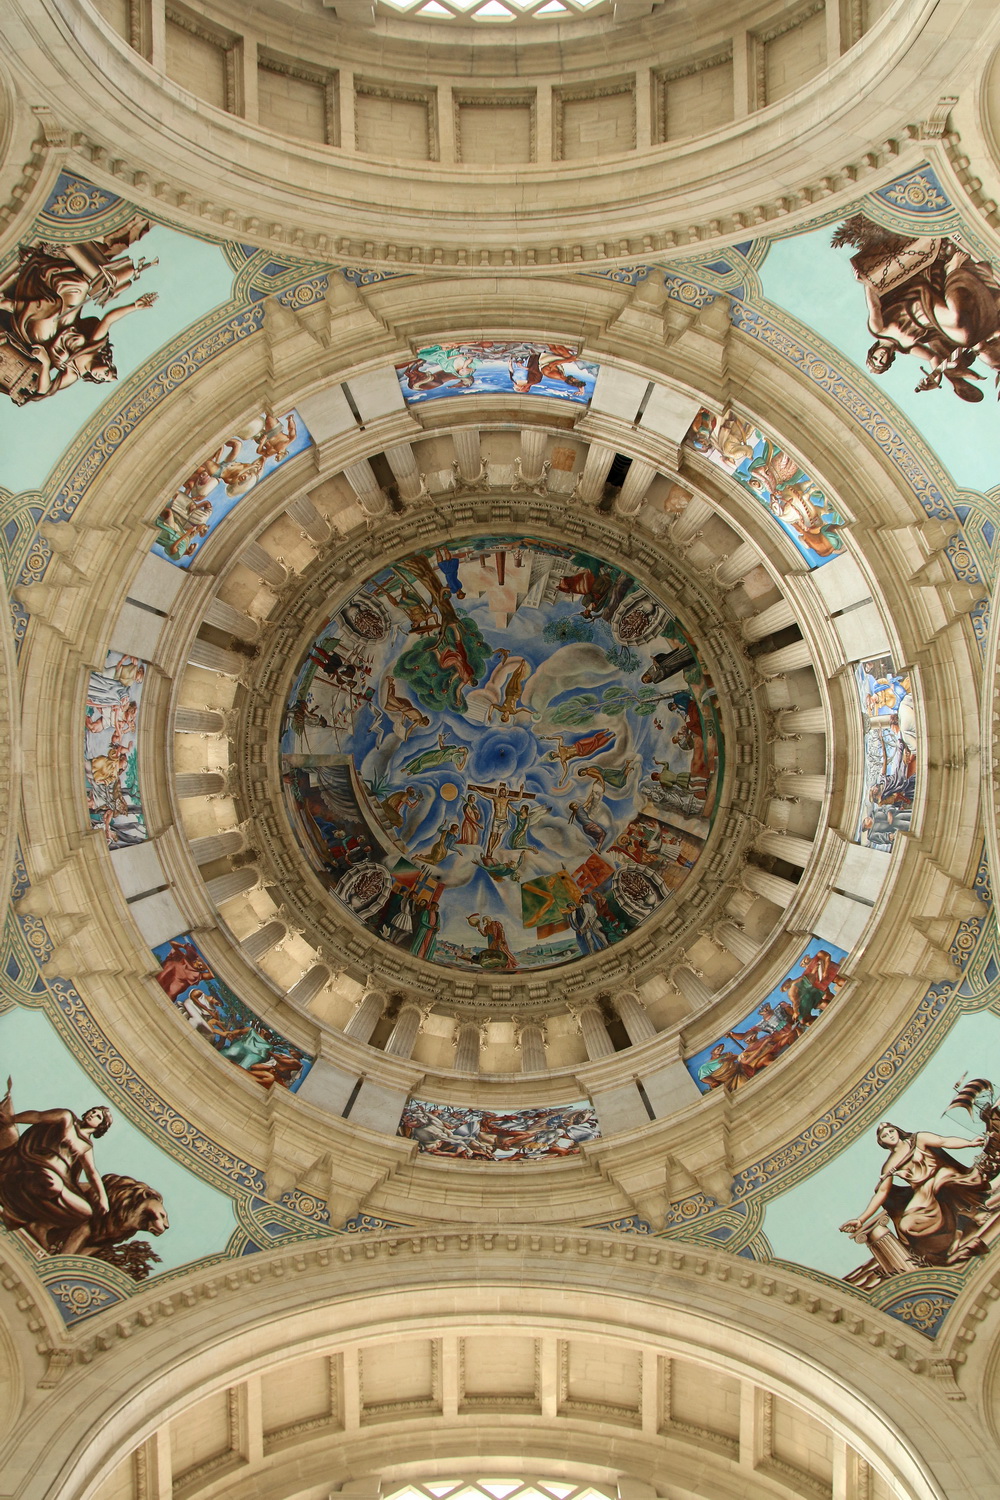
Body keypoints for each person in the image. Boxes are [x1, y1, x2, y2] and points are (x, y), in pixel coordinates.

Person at [839, 1121, 993, 1264]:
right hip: (922, 1190)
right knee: (907, 1225)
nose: (890, 1135)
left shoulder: (917, 1139)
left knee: (942, 1186)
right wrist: (861, 1219)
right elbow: (882, 1192)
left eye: (891, 1131)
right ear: (882, 1142)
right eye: (884, 1135)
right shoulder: (889, 1165)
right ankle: (951, 1238)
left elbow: (943, 1141)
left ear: (897, 1131)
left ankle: (973, 1214)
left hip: (941, 1175)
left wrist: (970, 1143)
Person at [0, 1082, 112, 1254]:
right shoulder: (67, 1118)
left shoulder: (87, 1147)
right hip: (37, 1164)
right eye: (93, 1111)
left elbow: (92, 1173)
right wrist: (13, 1119)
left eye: (98, 1116)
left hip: (58, 1181)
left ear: (101, 1126)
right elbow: (38, 1117)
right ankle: (12, 1185)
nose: (92, 1114)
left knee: (85, 1211)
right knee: (51, 1182)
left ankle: (37, 1224)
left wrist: (103, 1198)